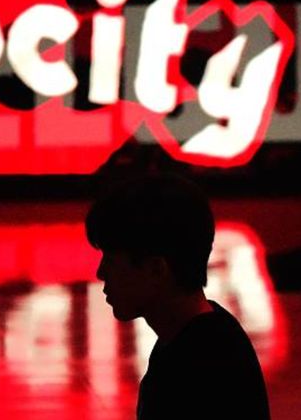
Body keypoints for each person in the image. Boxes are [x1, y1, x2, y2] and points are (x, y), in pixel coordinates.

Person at [85, 173, 270, 419]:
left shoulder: (200, 365)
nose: (101, 273)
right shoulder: (195, 339)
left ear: (156, 269)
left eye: (111, 260)